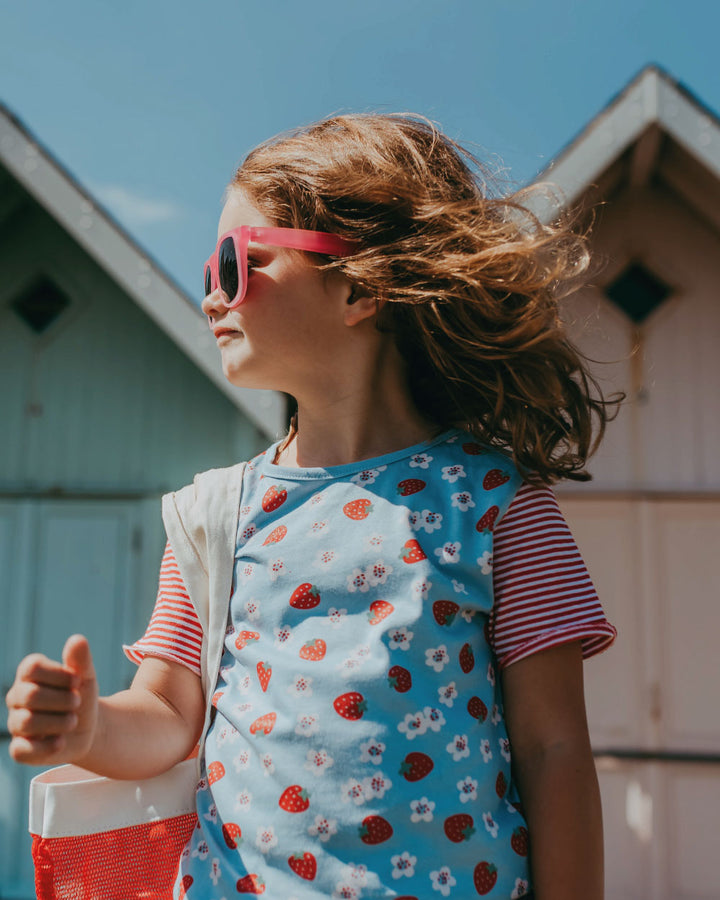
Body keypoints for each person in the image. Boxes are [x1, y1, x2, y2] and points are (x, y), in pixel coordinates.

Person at [6, 113, 620, 900]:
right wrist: (90, 727)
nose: (212, 296)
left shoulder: (501, 508)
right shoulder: (212, 517)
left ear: (360, 286)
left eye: (239, 263)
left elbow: (555, 752)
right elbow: (165, 713)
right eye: (206, 273)